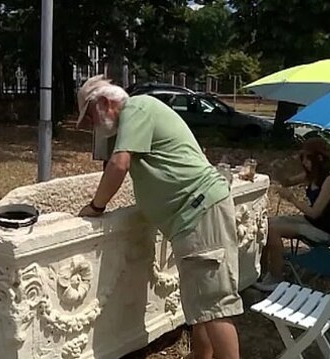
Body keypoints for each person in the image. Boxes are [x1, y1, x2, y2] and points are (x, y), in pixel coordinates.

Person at [75, 74, 242, 359]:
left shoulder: (136, 108)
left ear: (104, 102)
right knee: (202, 303)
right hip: (192, 217)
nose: (91, 124)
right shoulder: (134, 116)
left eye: (89, 115)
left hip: (198, 212)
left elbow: (119, 164)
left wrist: (96, 207)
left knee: (216, 305)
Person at [254, 137, 330, 292]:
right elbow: (287, 181)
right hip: (309, 222)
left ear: (319, 158)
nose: (305, 162)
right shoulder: (312, 175)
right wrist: (278, 168)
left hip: (323, 231)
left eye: (307, 158)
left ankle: (276, 277)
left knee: (274, 230)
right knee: (266, 223)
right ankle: (261, 270)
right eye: (303, 158)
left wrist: (291, 198)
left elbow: (315, 213)